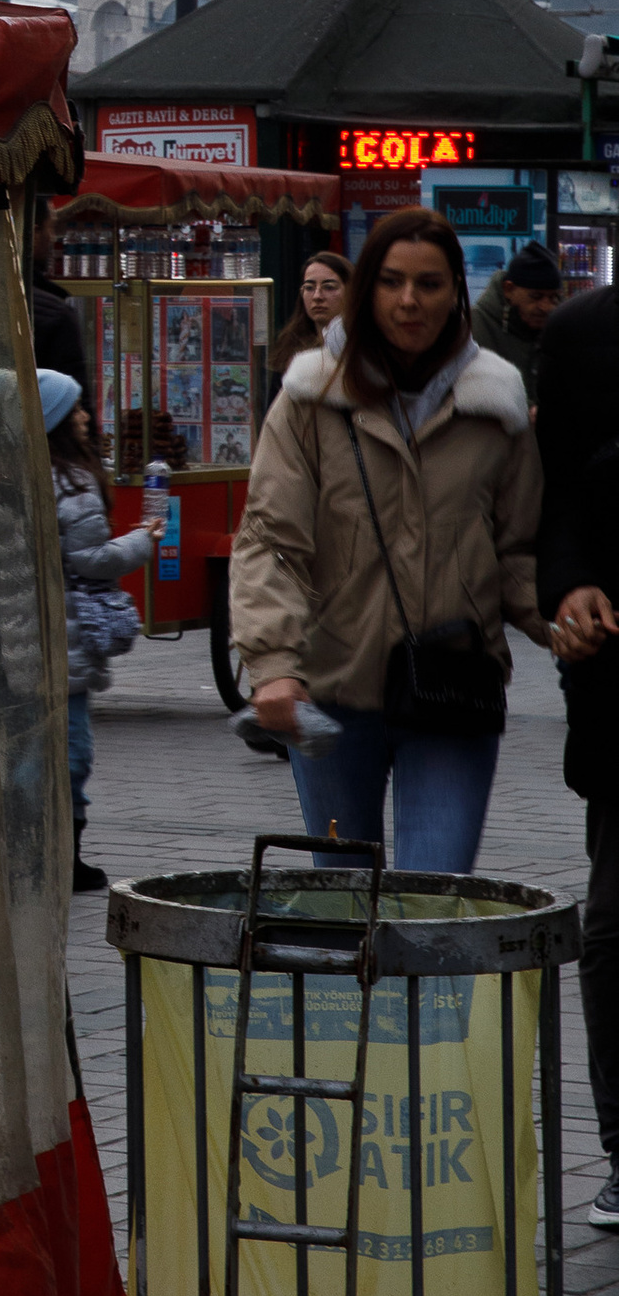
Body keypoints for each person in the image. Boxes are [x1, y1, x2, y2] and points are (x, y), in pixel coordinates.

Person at [230, 207, 548, 875]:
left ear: (456, 292)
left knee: (436, 898)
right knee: (346, 899)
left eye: (430, 284)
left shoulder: (495, 404)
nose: (410, 301)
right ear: (367, 289)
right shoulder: (310, 398)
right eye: (392, 281)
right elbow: (271, 539)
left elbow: (518, 549)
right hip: (333, 689)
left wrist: (562, 616)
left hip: (453, 688)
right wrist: (274, 664)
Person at [529, 273, 619, 1222]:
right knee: (614, 926)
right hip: (615, 670)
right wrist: (568, 585)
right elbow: (551, 497)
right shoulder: (583, 333)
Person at [41, 368, 146, 894]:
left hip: (18, 641)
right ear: (57, 421)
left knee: (30, 751)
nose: (85, 417)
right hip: (64, 643)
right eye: (77, 408)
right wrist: (143, 540)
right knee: (72, 752)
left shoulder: (5, 479)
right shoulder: (73, 485)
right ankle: (67, 859)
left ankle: (36, 852)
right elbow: (95, 560)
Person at [474, 241, 564, 408]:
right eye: (536, 297)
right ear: (509, 290)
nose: (546, 307)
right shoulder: (475, 326)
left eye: (553, 298)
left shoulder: (560, 330)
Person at [270, 247, 348, 391]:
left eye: (329, 287)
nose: (317, 296)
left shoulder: (362, 350)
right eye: (309, 287)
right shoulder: (289, 350)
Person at [28, 226, 88, 394]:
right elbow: (74, 397)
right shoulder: (57, 315)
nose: (53, 237)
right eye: (50, 228)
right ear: (33, 234)